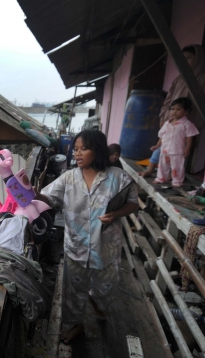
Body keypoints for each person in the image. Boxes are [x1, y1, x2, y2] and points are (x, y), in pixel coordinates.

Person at [38, 130, 139, 344]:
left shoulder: (119, 177)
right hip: (76, 245)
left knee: (107, 285)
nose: (77, 153)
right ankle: (77, 325)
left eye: (84, 148)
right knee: (73, 290)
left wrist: (116, 214)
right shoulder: (68, 177)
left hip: (106, 245)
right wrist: (28, 191)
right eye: (75, 149)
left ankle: (97, 305)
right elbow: (46, 198)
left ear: (98, 150)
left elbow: (133, 203)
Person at [140, 44, 205, 177]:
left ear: (199, 59)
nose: (185, 61)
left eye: (189, 58)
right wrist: (163, 116)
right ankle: (153, 171)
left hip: (191, 121)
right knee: (163, 148)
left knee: (180, 151)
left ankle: (176, 175)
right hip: (172, 121)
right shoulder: (179, 78)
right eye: (183, 59)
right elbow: (169, 99)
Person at [153, 97, 199, 188]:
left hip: (177, 150)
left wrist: (187, 149)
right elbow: (162, 135)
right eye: (172, 109)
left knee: (177, 167)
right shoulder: (167, 123)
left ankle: (177, 182)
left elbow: (190, 137)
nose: (174, 111)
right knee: (162, 165)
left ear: (186, 112)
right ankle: (161, 178)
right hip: (165, 150)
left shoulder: (187, 124)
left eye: (178, 109)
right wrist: (157, 145)